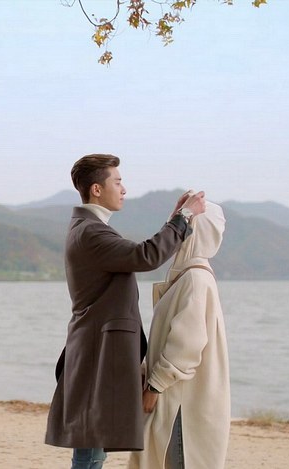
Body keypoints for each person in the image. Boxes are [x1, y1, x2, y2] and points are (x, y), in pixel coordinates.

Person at [45, 154, 206, 469]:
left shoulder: (88, 228)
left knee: (92, 444)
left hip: (95, 347)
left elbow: (138, 253)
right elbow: (145, 256)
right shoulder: (91, 232)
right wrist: (184, 217)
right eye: (117, 182)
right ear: (96, 189)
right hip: (97, 350)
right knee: (91, 448)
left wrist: (176, 219)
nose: (124, 189)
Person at [128, 201, 229, 469]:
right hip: (176, 395)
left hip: (182, 401)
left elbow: (187, 346)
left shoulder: (195, 279)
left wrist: (155, 386)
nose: (177, 229)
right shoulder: (188, 276)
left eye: (185, 223)